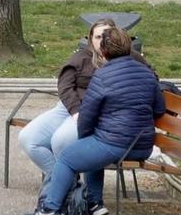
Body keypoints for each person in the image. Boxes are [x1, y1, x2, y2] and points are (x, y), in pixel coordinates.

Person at [25, 25, 163, 215]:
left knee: (67, 157)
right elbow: (158, 109)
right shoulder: (146, 74)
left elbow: (88, 115)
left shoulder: (102, 76)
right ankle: (94, 203)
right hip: (142, 146)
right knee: (90, 150)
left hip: (116, 144)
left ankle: (49, 210)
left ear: (104, 51)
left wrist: (87, 135)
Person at [17, 18, 114, 178]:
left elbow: (150, 76)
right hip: (68, 108)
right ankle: (65, 184)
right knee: (28, 139)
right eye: (97, 37)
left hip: (93, 113)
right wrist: (75, 111)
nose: (102, 41)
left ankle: (60, 189)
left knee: (60, 141)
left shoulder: (126, 57)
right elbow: (65, 85)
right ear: (90, 39)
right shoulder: (81, 57)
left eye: (107, 35)